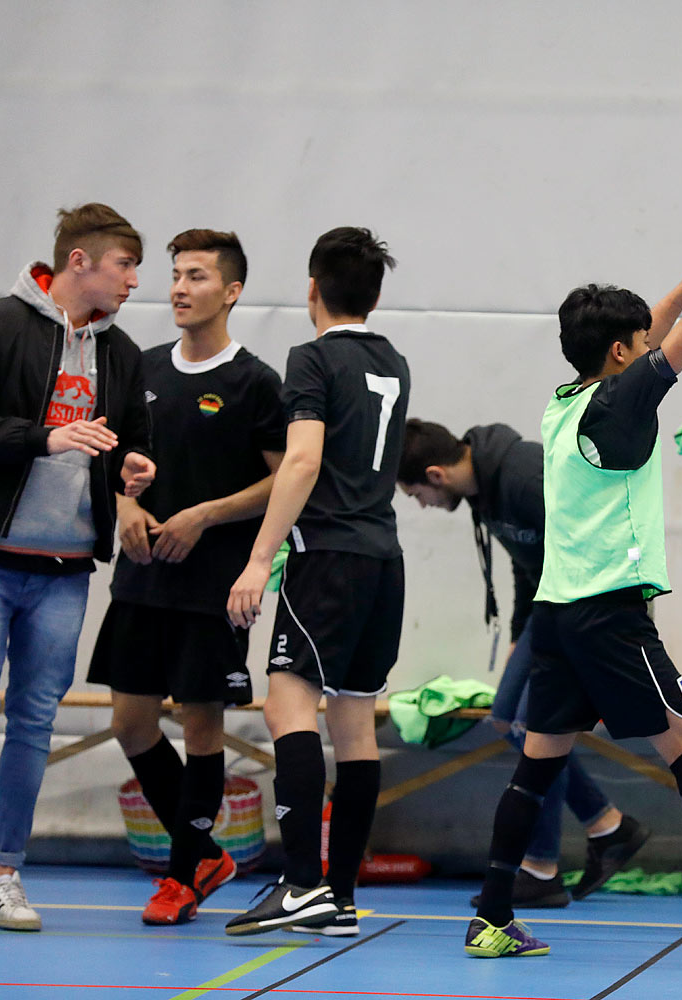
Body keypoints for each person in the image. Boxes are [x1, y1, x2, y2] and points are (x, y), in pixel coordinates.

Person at [465, 164, 682, 969]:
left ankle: (491, 914)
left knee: (537, 764)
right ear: (622, 354)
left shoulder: (566, 403)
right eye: (639, 346)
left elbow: (654, 329)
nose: (650, 348)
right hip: (609, 617)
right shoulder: (623, 404)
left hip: (556, 616)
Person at [0, 204, 156, 931]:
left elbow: (129, 448)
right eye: (124, 265)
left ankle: (6, 875)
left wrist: (138, 474)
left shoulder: (123, 353)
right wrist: (43, 439)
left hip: (64, 568)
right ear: (79, 262)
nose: (134, 282)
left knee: (32, 720)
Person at [87, 229, 286, 925]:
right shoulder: (138, 369)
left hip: (211, 588)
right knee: (130, 723)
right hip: (142, 582)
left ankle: (183, 874)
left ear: (230, 291)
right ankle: (201, 853)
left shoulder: (255, 382)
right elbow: (104, 464)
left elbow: (284, 483)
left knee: (201, 730)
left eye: (196, 276)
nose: (178, 287)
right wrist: (123, 506)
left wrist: (205, 515)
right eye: (175, 275)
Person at [223, 227, 409, 938]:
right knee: (354, 724)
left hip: (325, 557)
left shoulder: (311, 359)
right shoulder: (394, 360)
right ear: (377, 292)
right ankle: (339, 893)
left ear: (311, 289)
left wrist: (258, 559)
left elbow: (299, 463)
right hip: (381, 560)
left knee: (286, 709)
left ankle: (302, 885)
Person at [397, 418, 650, 907]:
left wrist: (597, 634)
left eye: (414, 496)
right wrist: (518, 637)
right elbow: (524, 559)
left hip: (590, 601)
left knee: (533, 725)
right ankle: (607, 826)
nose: (422, 507)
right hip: (549, 605)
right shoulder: (483, 493)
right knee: (506, 718)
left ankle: (540, 868)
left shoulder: (522, 476)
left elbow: (596, 539)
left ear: (435, 475)